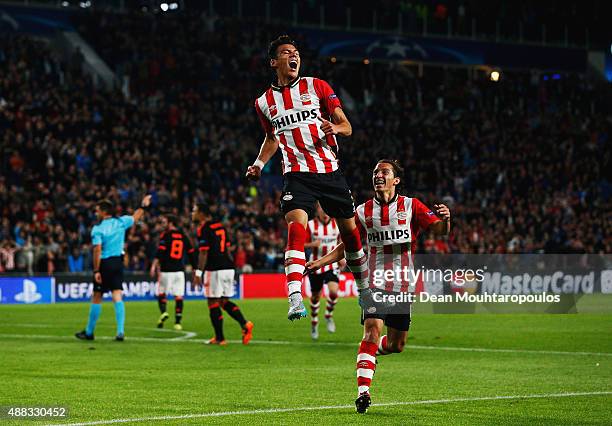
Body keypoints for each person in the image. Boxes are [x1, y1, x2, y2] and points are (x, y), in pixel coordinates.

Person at [305, 159, 451, 414]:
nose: (378, 175)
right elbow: (348, 244)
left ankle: (368, 355)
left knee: (396, 345)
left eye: (384, 172)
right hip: (374, 282)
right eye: (375, 172)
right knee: (371, 331)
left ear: (396, 180)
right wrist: (320, 262)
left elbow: (440, 231)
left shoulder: (411, 206)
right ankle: (363, 392)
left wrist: (446, 220)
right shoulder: (362, 211)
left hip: (403, 284)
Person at [246, 35, 371, 321]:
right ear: (273, 62)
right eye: (286, 52)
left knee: (351, 235)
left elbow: (347, 126)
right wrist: (258, 164)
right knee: (296, 226)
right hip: (296, 173)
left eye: (296, 52)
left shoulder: (316, 86)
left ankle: (364, 292)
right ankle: (293, 296)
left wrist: (335, 129)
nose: (293, 56)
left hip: (329, 170)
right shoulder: (264, 102)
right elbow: (271, 138)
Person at [76, 195, 152, 341]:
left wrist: (96, 270)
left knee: (97, 296)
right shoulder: (120, 222)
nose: (95, 213)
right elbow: (136, 217)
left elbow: (97, 250)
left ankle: (89, 332)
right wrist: (143, 205)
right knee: (117, 294)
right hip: (118, 262)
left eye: (97, 211)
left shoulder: (97, 229)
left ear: (104, 212)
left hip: (104, 263)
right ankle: (120, 331)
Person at [191, 204, 253, 345]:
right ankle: (245, 324)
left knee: (212, 302)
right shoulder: (221, 226)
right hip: (228, 267)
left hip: (215, 269)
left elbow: (204, 252)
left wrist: (199, 272)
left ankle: (220, 338)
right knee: (224, 301)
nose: (192, 213)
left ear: (202, 213)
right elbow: (228, 247)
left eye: (194, 211)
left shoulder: (204, 228)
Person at [304, 203, 345, 340]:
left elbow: (342, 240)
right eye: (322, 208)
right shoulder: (310, 225)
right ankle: (314, 323)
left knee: (333, 292)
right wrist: (311, 245)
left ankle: (328, 315)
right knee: (315, 297)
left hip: (331, 265)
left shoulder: (337, 224)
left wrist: (342, 257)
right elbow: (299, 243)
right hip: (315, 265)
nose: (325, 211)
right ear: (317, 210)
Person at [149, 214, 197, 331]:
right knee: (179, 296)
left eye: (164, 222)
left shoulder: (165, 235)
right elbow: (191, 252)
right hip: (180, 271)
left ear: (170, 223)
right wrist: (195, 268)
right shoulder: (183, 236)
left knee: (161, 293)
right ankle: (177, 322)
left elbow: (160, 252)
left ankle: (164, 312)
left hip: (166, 270)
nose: (162, 224)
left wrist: (153, 265)